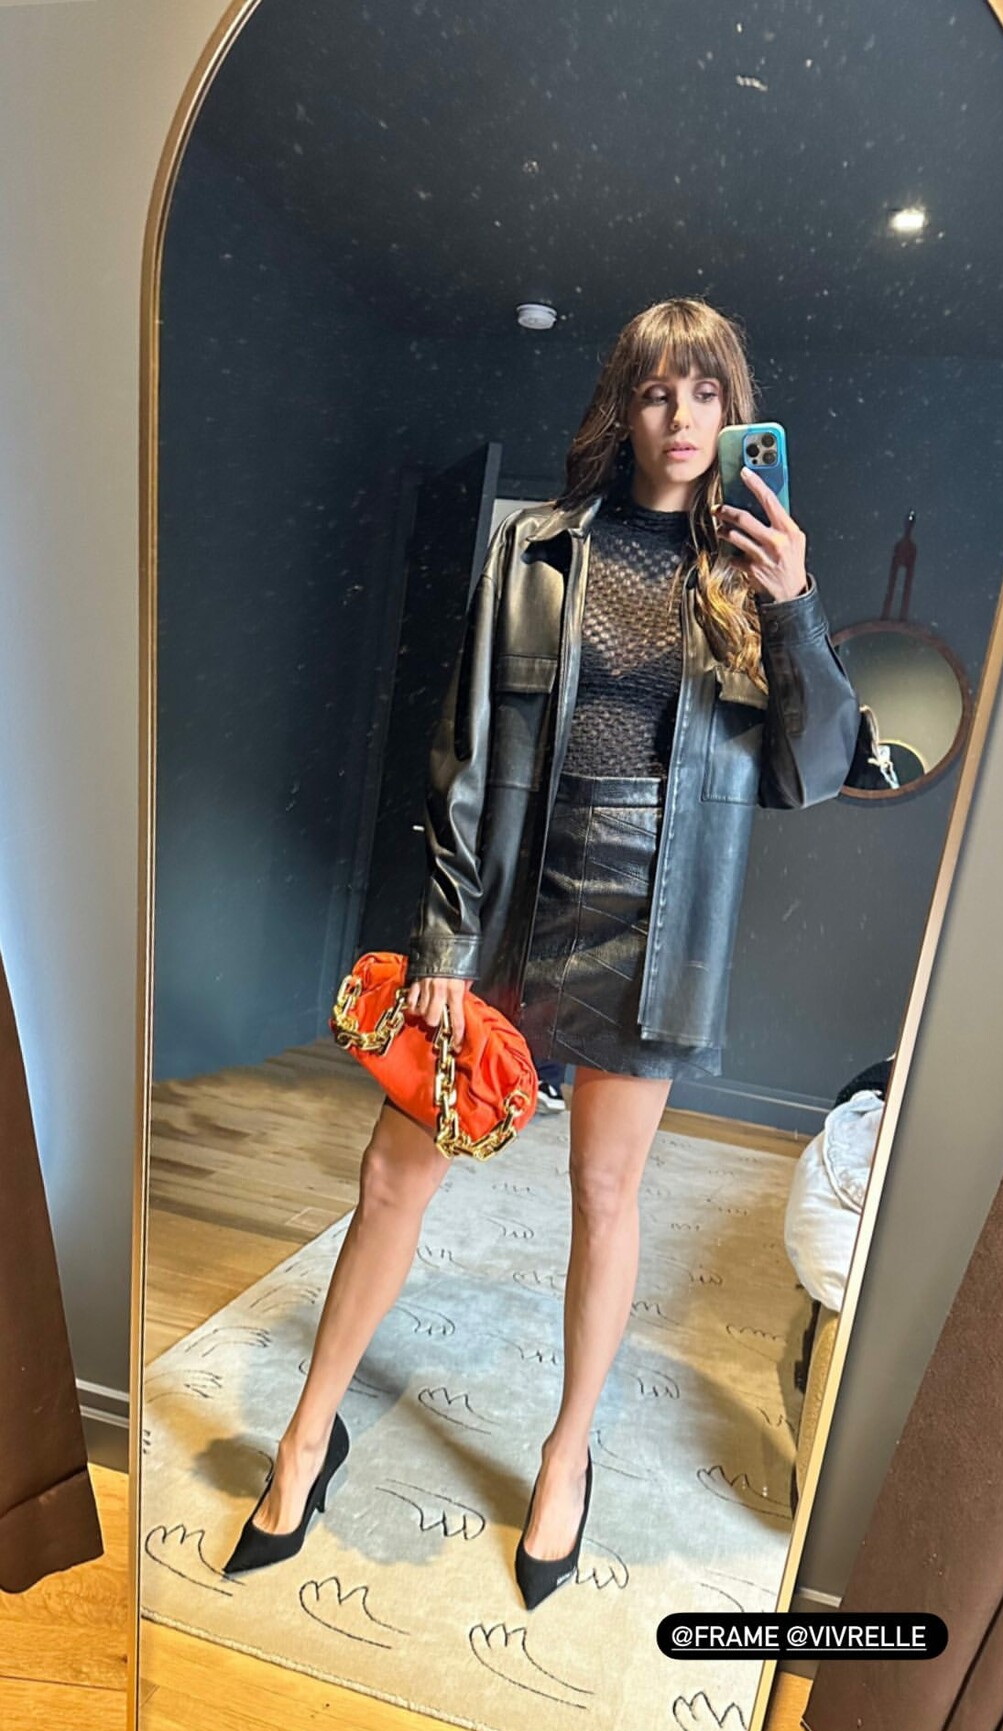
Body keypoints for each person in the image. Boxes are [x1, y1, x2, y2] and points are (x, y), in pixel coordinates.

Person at [224, 297, 860, 1607]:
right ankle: (306, 1435)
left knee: (604, 1196)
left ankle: (567, 1454)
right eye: (656, 390)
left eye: (706, 393)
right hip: (515, 907)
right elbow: (463, 752)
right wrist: (446, 940)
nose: (681, 418)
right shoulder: (535, 549)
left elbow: (811, 774)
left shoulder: (755, 572)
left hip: (656, 926)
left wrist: (795, 608)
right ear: (622, 405)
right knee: (393, 1176)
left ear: (735, 413)